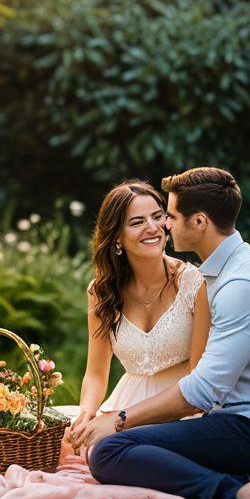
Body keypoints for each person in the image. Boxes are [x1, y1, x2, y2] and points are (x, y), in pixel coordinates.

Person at [78, 167, 250, 499]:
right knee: (119, 450)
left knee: (111, 451)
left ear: (199, 221)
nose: (163, 226)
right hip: (240, 421)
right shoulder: (224, 272)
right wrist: (99, 414)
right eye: (145, 220)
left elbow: (203, 389)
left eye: (166, 216)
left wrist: (118, 420)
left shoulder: (239, 284)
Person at [66, 181, 210, 449]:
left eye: (158, 217)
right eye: (137, 222)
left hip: (184, 412)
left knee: (134, 454)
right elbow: (96, 373)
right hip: (124, 406)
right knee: (97, 451)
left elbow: (199, 373)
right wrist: (86, 413)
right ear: (117, 237)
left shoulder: (193, 283)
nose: (153, 228)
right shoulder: (102, 292)